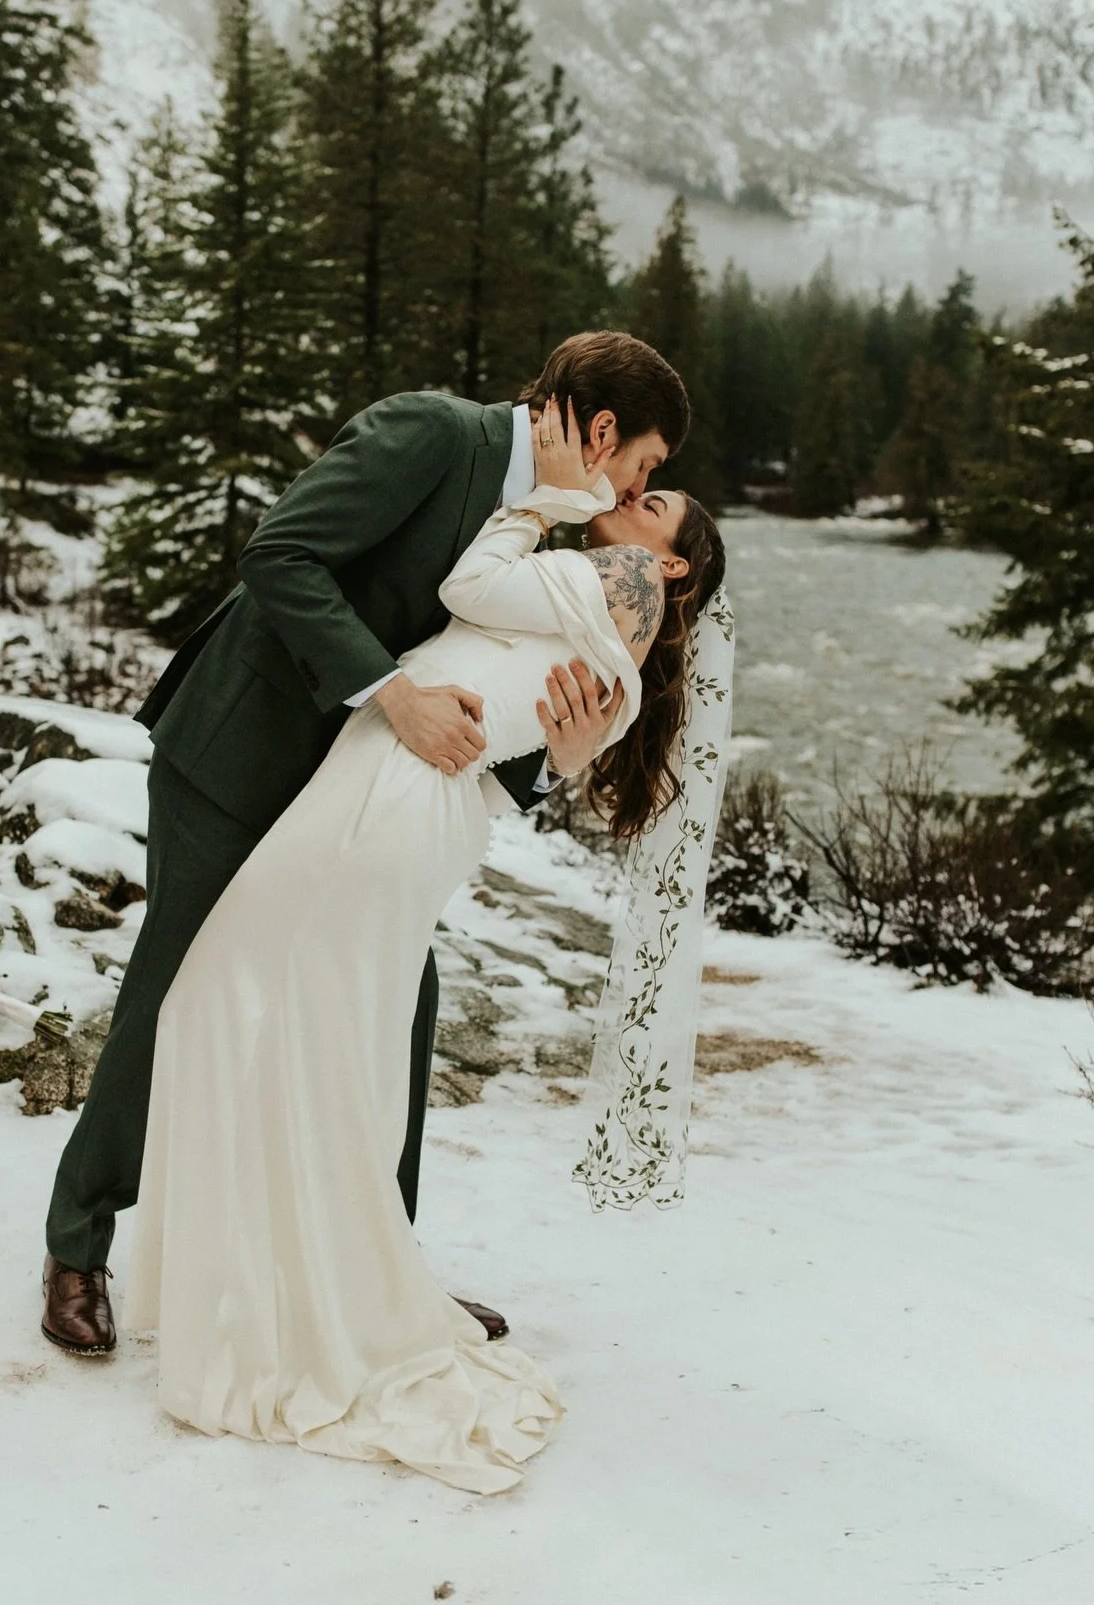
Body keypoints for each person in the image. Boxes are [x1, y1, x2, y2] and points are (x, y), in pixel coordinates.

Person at [41, 330, 690, 1354]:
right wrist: (395, 698)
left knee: (404, 1001)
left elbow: (495, 676)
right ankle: (77, 1246)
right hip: (240, 756)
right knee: (174, 984)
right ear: (604, 431)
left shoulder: (559, 536)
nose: (640, 488)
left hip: (351, 796)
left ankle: (379, 1276)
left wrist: (553, 758)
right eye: (646, 467)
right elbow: (279, 555)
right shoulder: (432, 432)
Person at [124, 403, 726, 1492]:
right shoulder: (595, 584)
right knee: (304, 1024)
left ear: (675, 572)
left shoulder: (619, 580)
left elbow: (464, 596)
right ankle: (301, 1277)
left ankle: (313, 1299)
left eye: (659, 502)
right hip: (398, 781)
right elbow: (531, 708)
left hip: (398, 789)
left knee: (234, 1002)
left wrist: (544, 501)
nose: (637, 496)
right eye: (643, 475)